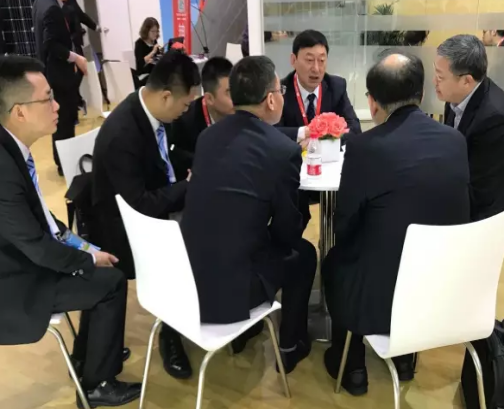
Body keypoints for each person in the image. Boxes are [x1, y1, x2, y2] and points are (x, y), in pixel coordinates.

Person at [323, 52, 470, 396]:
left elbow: (345, 225)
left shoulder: (365, 148)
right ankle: (404, 360)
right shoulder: (456, 141)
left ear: (372, 103)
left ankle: (352, 367)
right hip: (440, 289)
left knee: (334, 262)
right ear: (422, 94)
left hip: (382, 296)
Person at [0, 55, 141, 407]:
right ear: (19, 112)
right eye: (47, 98)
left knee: (100, 268)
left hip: (24, 257)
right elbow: (36, 245)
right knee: (110, 282)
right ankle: (97, 384)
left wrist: (86, 250)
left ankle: (89, 359)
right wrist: (86, 260)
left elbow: (43, 220)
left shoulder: (12, 150)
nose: (58, 105)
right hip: (14, 280)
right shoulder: (3, 169)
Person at [181, 56, 317, 373]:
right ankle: (290, 345)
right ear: (270, 99)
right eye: (281, 90)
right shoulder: (281, 150)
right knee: (304, 254)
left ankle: (247, 333)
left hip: (185, 281)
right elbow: (286, 231)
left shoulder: (208, 137)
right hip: (230, 294)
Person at [92, 50, 201, 380]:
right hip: (124, 228)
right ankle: (171, 335)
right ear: (166, 96)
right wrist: (187, 186)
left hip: (154, 206)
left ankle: (194, 314)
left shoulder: (150, 111)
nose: (185, 112)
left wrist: (198, 163)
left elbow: (165, 155)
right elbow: (139, 204)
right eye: (185, 105)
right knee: (193, 246)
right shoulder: (123, 133)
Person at [436, 34, 504, 242]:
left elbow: (483, 195)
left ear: (466, 80)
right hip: (469, 195)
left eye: (440, 77)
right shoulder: (457, 98)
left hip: (488, 222)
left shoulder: (495, 121)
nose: (434, 82)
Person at [277, 29, 361, 229]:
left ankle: (335, 240)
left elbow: (354, 129)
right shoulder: (280, 91)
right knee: (293, 216)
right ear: (293, 60)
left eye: (322, 60)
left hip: (330, 169)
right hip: (294, 171)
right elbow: (272, 133)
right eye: (309, 60)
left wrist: (319, 141)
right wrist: (302, 133)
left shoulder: (336, 86)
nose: (316, 68)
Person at [32, 0, 88, 176]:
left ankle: (62, 160)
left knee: (60, 120)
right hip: (60, 76)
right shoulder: (52, 8)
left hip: (51, 73)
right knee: (65, 120)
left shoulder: (41, 1)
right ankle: (67, 163)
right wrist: (76, 58)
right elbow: (51, 44)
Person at [168, 56, 234, 180]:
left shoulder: (242, 114)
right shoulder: (183, 121)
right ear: (209, 98)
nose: (237, 98)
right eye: (229, 93)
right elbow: (176, 157)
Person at [63, 0, 100, 112]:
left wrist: (94, 26)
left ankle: (76, 99)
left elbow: (81, 15)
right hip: (67, 42)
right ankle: (75, 100)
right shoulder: (57, 2)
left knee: (80, 70)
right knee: (71, 72)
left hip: (76, 41)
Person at [134, 17, 162, 86]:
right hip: (144, 74)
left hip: (154, 72)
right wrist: (153, 52)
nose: (155, 33)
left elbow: (156, 57)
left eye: (157, 31)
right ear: (146, 31)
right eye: (153, 31)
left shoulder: (154, 41)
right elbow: (140, 63)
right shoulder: (139, 43)